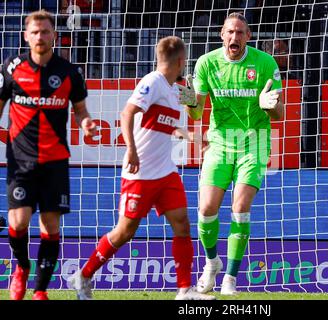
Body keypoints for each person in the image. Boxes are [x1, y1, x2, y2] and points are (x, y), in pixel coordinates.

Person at [67, 36, 216, 301]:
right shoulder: (152, 82)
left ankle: (184, 290)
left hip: (166, 172)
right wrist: (132, 150)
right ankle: (84, 275)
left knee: (182, 223)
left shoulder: (172, 90)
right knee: (125, 232)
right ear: (181, 61)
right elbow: (127, 113)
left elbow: (164, 124)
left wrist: (190, 136)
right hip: (140, 173)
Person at [178, 12, 284, 295]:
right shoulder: (207, 63)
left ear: (248, 36)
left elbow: (279, 114)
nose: (234, 37)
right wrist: (189, 100)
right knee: (206, 209)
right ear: (221, 35)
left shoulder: (265, 63)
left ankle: (230, 279)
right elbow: (198, 112)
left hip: (255, 142)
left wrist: (267, 104)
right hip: (220, 144)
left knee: (240, 208)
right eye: (230, 32)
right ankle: (212, 263)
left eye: (240, 33)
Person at [0, 10, 97, 300]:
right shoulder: (11, 68)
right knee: (18, 222)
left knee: (51, 225)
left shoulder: (69, 72)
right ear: (26, 36)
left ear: (54, 34)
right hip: (21, 159)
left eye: (45, 31)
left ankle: (40, 291)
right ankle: (21, 267)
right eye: (35, 32)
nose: (40, 37)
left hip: (55, 161)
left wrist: (87, 125)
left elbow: (81, 112)